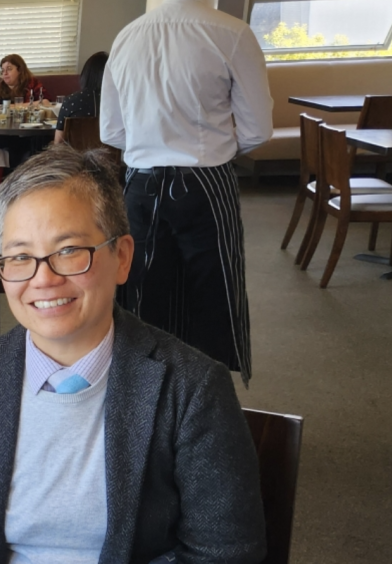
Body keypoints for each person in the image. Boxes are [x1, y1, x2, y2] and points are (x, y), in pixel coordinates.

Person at [0, 145, 267, 564]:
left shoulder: (193, 389)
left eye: (69, 251)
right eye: (19, 257)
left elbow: (225, 553)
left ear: (121, 257)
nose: (43, 278)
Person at [100, 0, 272, 383]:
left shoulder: (127, 37)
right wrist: (211, 145)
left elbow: (110, 132)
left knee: (141, 296)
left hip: (141, 184)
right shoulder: (231, 32)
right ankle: (208, 398)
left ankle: (143, 391)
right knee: (213, 296)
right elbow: (258, 129)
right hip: (206, 182)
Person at [53, 51, 109, 145]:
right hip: (110, 158)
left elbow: (58, 142)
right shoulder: (120, 101)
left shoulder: (71, 101)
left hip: (75, 158)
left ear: (85, 74)